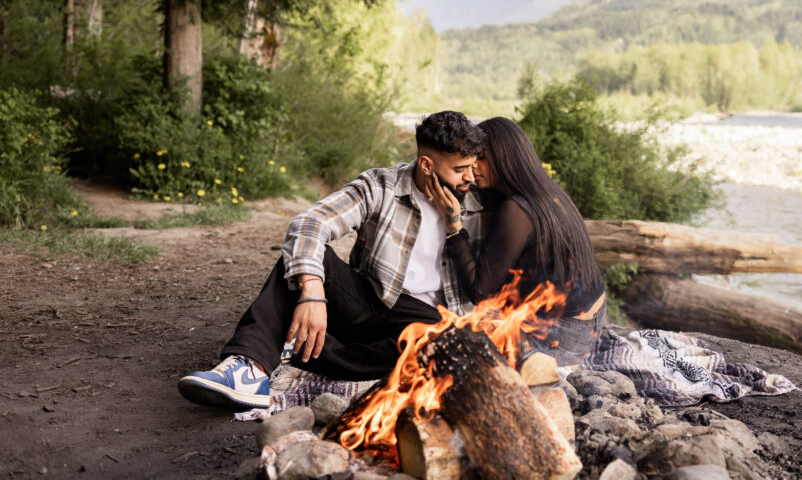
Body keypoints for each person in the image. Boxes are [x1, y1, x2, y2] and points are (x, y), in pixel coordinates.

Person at [178, 111, 490, 409]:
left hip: (428, 322)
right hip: (372, 300)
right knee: (305, 262)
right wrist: (312, 291)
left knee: (438, 347)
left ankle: (295, 348)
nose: (470, 177)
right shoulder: (381, 185)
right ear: (426, 165)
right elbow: (311, 223)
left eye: (471, 166)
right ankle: (246, 367)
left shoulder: (477, 205)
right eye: (460, 169)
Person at [423, 116, 606, 366]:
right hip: (591, 321)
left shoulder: (518, 210)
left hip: (565, 336)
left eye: (483, 158)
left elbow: (480, 292)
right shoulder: (550, 194)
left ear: (505, 157)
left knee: (448, 342)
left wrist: (454, 228)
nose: (473, 168)